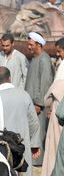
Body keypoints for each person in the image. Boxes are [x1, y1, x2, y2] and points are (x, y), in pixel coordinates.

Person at [25, 31, 54, 166]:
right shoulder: (34, 59)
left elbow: (45, 84)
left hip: (39, 106)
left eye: (31, 44)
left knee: (40, 132)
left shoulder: (44, 60)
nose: (29, 47)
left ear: (38, 44)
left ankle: (38, 162)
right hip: (32, 105)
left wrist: (39, 103)